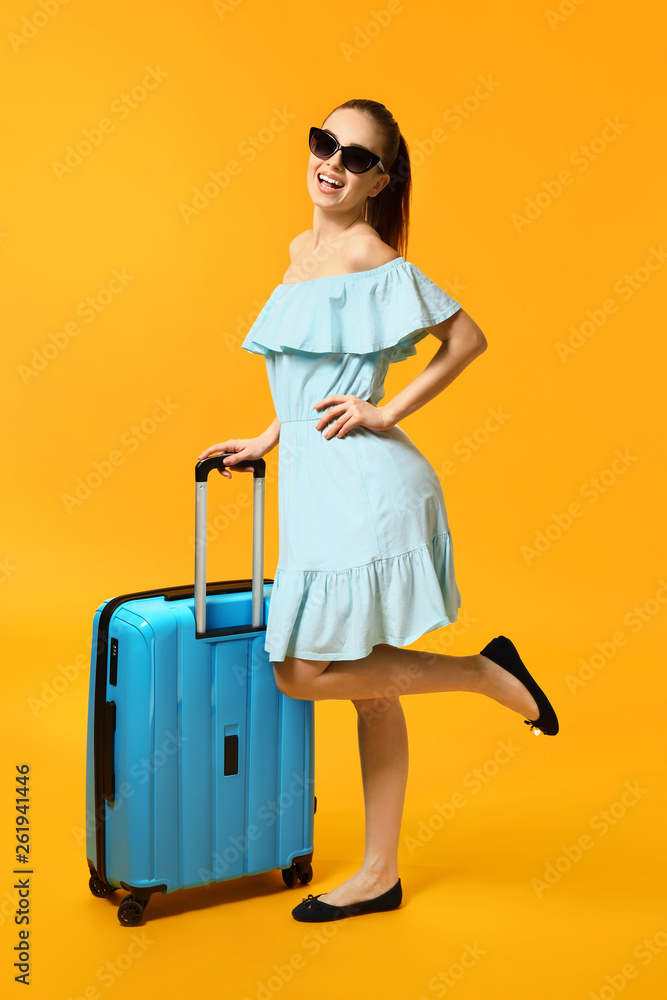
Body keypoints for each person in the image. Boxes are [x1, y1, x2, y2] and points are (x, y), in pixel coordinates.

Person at [197, 98, 559, 923]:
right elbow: (306, 376)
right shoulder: (302, 249)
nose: (331, 164)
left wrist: (386, 412)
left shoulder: (370, 254)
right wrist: (267, 439)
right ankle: (379, 874)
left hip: (364, 490)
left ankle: (484, 674)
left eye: (355, 158)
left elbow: (465, 341)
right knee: (367, 686)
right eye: (323, 144)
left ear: (380, 179)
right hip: (316, 484)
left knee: (297, 673)